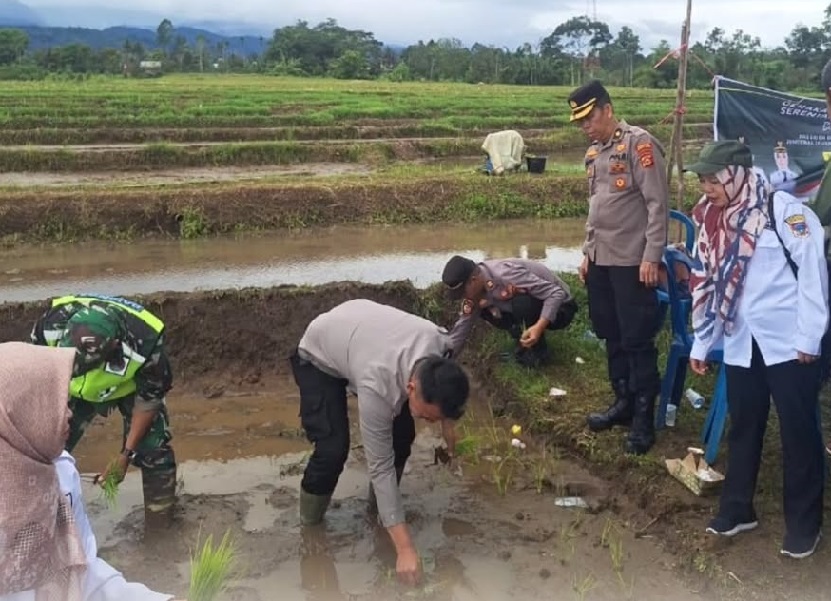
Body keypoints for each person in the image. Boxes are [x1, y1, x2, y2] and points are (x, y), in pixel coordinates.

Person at [686, 140, 828, 559]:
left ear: (737, 174)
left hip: (788, 344)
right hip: (741, 341)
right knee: (744, 425)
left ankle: (804, 526)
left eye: (714, 179)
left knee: (797, 433)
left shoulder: (784, 211)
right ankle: (737, 509)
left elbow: (813, 276)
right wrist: (702, 340)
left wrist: (809, 337)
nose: (707, 187)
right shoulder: (711, 219)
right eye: (702, 179)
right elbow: (707, 282)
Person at [289, 299, 470, 586]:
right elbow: (380, 466)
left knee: (403, 437)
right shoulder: (378, 386)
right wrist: (406, 549)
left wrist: (448, 426)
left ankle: (380, 514)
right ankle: (309, 526)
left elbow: (445, 382)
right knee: (333, 449)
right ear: (411, 388)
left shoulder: (439, 343)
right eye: (429, 416)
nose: (430, 422)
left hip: (363, 335)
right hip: (320, 353)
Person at [0, 341, 182, 601]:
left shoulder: (61, 474)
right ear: (19, 413)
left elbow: (85, 572)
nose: (69, 413)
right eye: (53, 402)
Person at [567, 79, 668, 455]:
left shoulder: (639, 144)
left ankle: (644, 416)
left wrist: (652, 256)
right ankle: (622, 401)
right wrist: (586, 253)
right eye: (580, 122)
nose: (585, 127)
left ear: (607, 110)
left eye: (589, 118)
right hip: (601, 259)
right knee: (610, 332)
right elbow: (596, 208)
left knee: (636, 337)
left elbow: (658, 204)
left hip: (632, 261)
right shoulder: (594, 154)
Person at [29, 294, 176, 530]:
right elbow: (36, 379)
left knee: (154, 451)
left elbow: (149, 400)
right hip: (72, 390)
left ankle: (161, 528)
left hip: (127, 388)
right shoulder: (50, 325)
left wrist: (125, 455)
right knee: (42, 450)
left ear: (114, 347)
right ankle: (40, 524)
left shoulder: (145, 341)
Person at [441, 255, 578, 366]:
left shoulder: (505, 275)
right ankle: (523, 341)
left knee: (522, 303)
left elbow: (556, 294)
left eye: (462, 292)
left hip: (561, 307)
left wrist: (539, 326)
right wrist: (442, 363)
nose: (463, 297)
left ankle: (539, 353)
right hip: (533, 307)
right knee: (483, 310)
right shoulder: (476, 291)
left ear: (473, 280)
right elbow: (462, 329)